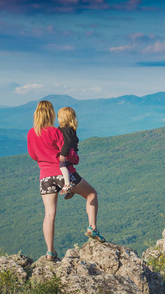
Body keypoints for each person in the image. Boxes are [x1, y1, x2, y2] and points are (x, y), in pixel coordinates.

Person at [27, 100, 105, 261]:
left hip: (45, 177)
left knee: (49, 214)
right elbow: (68, 153)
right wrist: (75, 158)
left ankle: (50, 251)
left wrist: (44, 159)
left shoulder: (31, 133)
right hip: (63, 174)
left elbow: (33, 155)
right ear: (50, 114)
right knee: (91, 194)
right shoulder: (55, 132)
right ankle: (92, 228)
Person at [57, 107, 80, 198]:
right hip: (73, 153)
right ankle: (72, 189)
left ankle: (67, 185)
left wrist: (62, 154)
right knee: (67, 166)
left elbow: (67, 143)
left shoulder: (65, 129)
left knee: (62, 165)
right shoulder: (71, 129)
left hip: (68, 153)